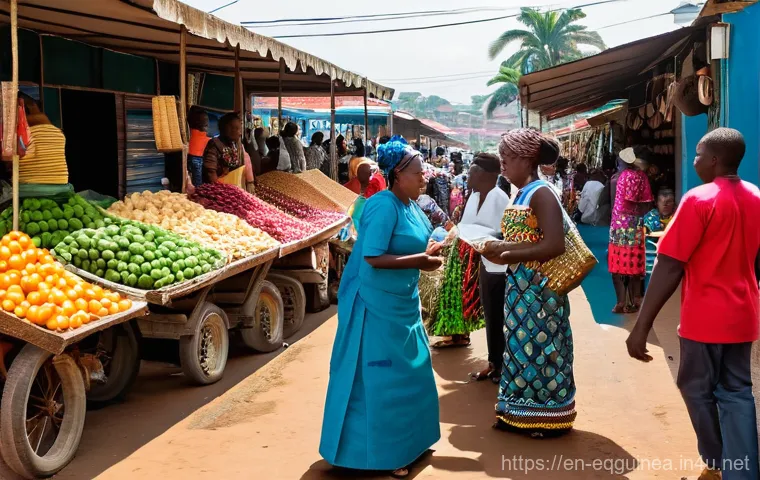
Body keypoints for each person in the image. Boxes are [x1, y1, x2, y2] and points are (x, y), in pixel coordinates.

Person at [626, 128, 760, 480]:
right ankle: (742, 470)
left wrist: (641, 326)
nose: (695, 160)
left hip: (705, 319)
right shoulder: (755, 196)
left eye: (699, 154)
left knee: (695, 387)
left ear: (715, 160)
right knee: (737, 391)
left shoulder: (699, 199)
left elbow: (669, 264)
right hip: (743, 315)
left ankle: (716, 458)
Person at [320, 137, 442, 478]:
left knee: (412, 371)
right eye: (419, 173)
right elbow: (373, 257)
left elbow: (416, 238)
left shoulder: (410, 205)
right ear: (398, 174)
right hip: (374, 304)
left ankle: (411, 442)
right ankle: (385, 454)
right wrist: (421, 259)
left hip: (403, 301)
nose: (424, 178)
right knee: (381, 377)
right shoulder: (384, 205)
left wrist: (432, 245)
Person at [482, 128, 575, 438]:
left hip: (540, 290)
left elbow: (554, 245)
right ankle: (519, 410)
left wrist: (506, 252)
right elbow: (526, 237)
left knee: (543, 347)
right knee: (521, 347)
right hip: (523, 288)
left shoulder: (541, 193)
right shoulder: (521, 193)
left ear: (526, 159)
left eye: (507, 158)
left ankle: (547, 415)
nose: (503, 164)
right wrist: (499, 246)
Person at [457, 153, 510, 381]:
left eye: (471, 172)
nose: (467, 176)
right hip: (482, 263)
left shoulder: (500, 198)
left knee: (499, 316)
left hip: (499, 266)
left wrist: (481, 238)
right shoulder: (473, 197)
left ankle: (502, 365)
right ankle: (493, 362)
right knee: (491, 315)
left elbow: (506, 233)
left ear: (483, 174)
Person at [608, 147, 653, 314]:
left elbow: (614, 204)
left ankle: (620, 302)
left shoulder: (616, 179)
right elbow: (646, 205)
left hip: (618, 227)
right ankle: (635, 300)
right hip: (635, 225)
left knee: (617, 265)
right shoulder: (642, 178)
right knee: (634, 265)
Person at [17, 94, 68, 185]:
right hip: (61, 182)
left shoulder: (29, 130)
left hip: (30, 185)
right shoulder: (58, 134)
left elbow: (17, 120)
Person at [202, 112, 242, 184]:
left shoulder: (234, 145)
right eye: (237, 129)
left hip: (231, 186)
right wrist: (220, 190)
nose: (240, 133)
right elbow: (210, 171)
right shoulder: (214, 144)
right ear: (227, 129)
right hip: (218, 189)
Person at [187, 106, 210, 189]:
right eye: (206, 121)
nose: (207, 124)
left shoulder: (189, 133)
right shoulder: (207, 138)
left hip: (190, 157)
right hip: (198, 159)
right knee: (199, 187)